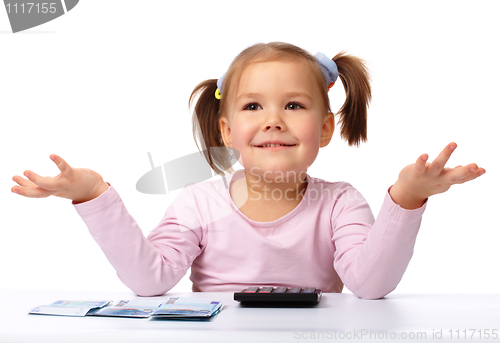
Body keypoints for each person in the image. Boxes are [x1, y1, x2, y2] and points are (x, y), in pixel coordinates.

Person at [11, 42, 485, 299]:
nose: (273, 120)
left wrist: (405, 197)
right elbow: (149, 281)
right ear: (227, 130)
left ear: (323, 129)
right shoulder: (198, 203)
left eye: (293, 105)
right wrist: (93, 194)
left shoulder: (341, 202)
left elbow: (371, 285)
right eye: (254, 105)